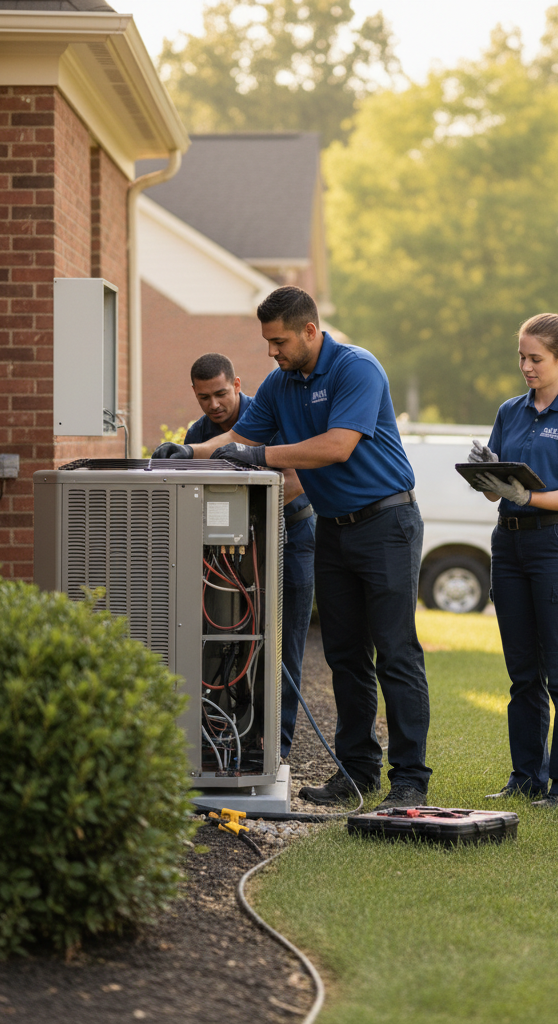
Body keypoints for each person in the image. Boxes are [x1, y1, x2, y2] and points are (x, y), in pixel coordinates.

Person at [153, 287, 431, 810]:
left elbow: (336, 445)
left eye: (278, 341)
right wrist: (189, 450)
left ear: (309, 330)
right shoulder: (283, 384)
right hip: (335, 528)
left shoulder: (356, 369)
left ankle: (410, 778)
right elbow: (236, 433)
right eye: (267, 342)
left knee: (395, 652)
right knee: (345, 655)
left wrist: (257, 454)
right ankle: (357, 772)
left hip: (386, 522)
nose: (271, 352)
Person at [469, 312, 558, 806]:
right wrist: (487, 478)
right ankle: (526, 777)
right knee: (522, 674)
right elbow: (498, 491)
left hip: (556, 549)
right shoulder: (511, 411)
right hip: (508, 547)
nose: (526, 366)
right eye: (521, 357)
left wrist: (525, 498)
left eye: (536, 358)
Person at [181, 353, 316, 760]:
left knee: (282, 641)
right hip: (225, 553)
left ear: (237, 384)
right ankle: (223, 736)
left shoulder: (270, 415)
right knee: (226, 640)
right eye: (204, 397)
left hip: (290, 534)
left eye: (221, 393)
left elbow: (296, 479)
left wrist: (250, 512)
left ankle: (275, 747)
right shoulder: (197, 434)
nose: (214, 405)